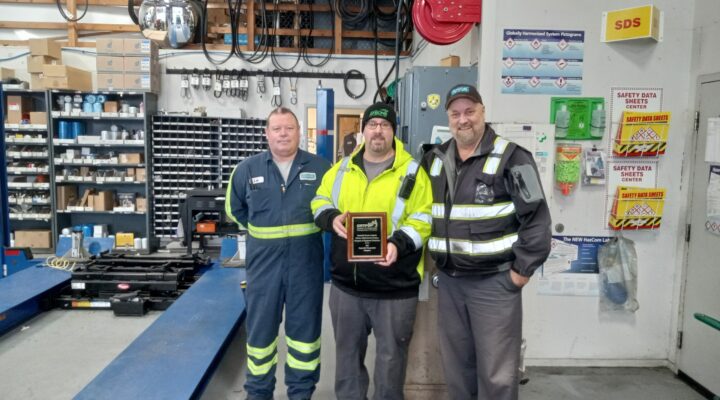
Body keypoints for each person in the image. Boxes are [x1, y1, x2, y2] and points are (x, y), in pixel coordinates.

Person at [421, 84, 551, 400]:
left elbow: (537, 218)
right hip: (450, 283)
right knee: (457, 370)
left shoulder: (513, 158)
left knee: (496, 375)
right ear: (448, 118)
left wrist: (520, 273)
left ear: (483, 112)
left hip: (494, 284)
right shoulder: (434, 160)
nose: (463, 120)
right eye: (456, 114)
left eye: (470, 111)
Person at [311, 102, 433, 400]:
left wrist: (398, 244)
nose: (378, 131)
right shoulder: (341, 169)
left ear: (393, 131)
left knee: (391, 363)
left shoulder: (414, 173)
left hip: (394, 287)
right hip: (347, 287)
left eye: (385, 125)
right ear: (363, 131)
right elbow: (319, 201)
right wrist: (331, 217)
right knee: (348, 363)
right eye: (373, 125)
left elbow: (424, 218)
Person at [226, 107, 330, 400]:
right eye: (277, 128)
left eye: (289, 128)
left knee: (305, 337)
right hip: (263, 268)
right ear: (267, 133)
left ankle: (301, 393)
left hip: (305, 267)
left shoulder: (322, 168)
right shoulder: (247, 169)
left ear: (299, 132)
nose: (283, 133)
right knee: (260, 336)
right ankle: (258, 393)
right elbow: (235, 210)